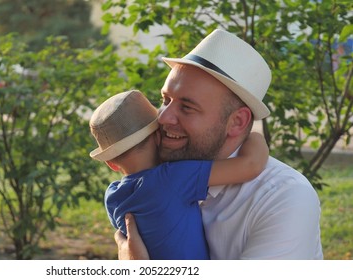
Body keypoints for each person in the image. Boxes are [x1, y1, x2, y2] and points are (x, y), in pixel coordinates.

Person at [114, 29, 323, 260]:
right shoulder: (155, 173)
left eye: (187, 107)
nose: (163, 117)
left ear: (237, 122)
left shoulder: (283, 197)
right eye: (165, 100)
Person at [89, 89, 269, 259]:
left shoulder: (112, 197)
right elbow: (251, 165)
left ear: (111, 163)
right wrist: (254, 135)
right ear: (159, 136)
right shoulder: (174, 177)